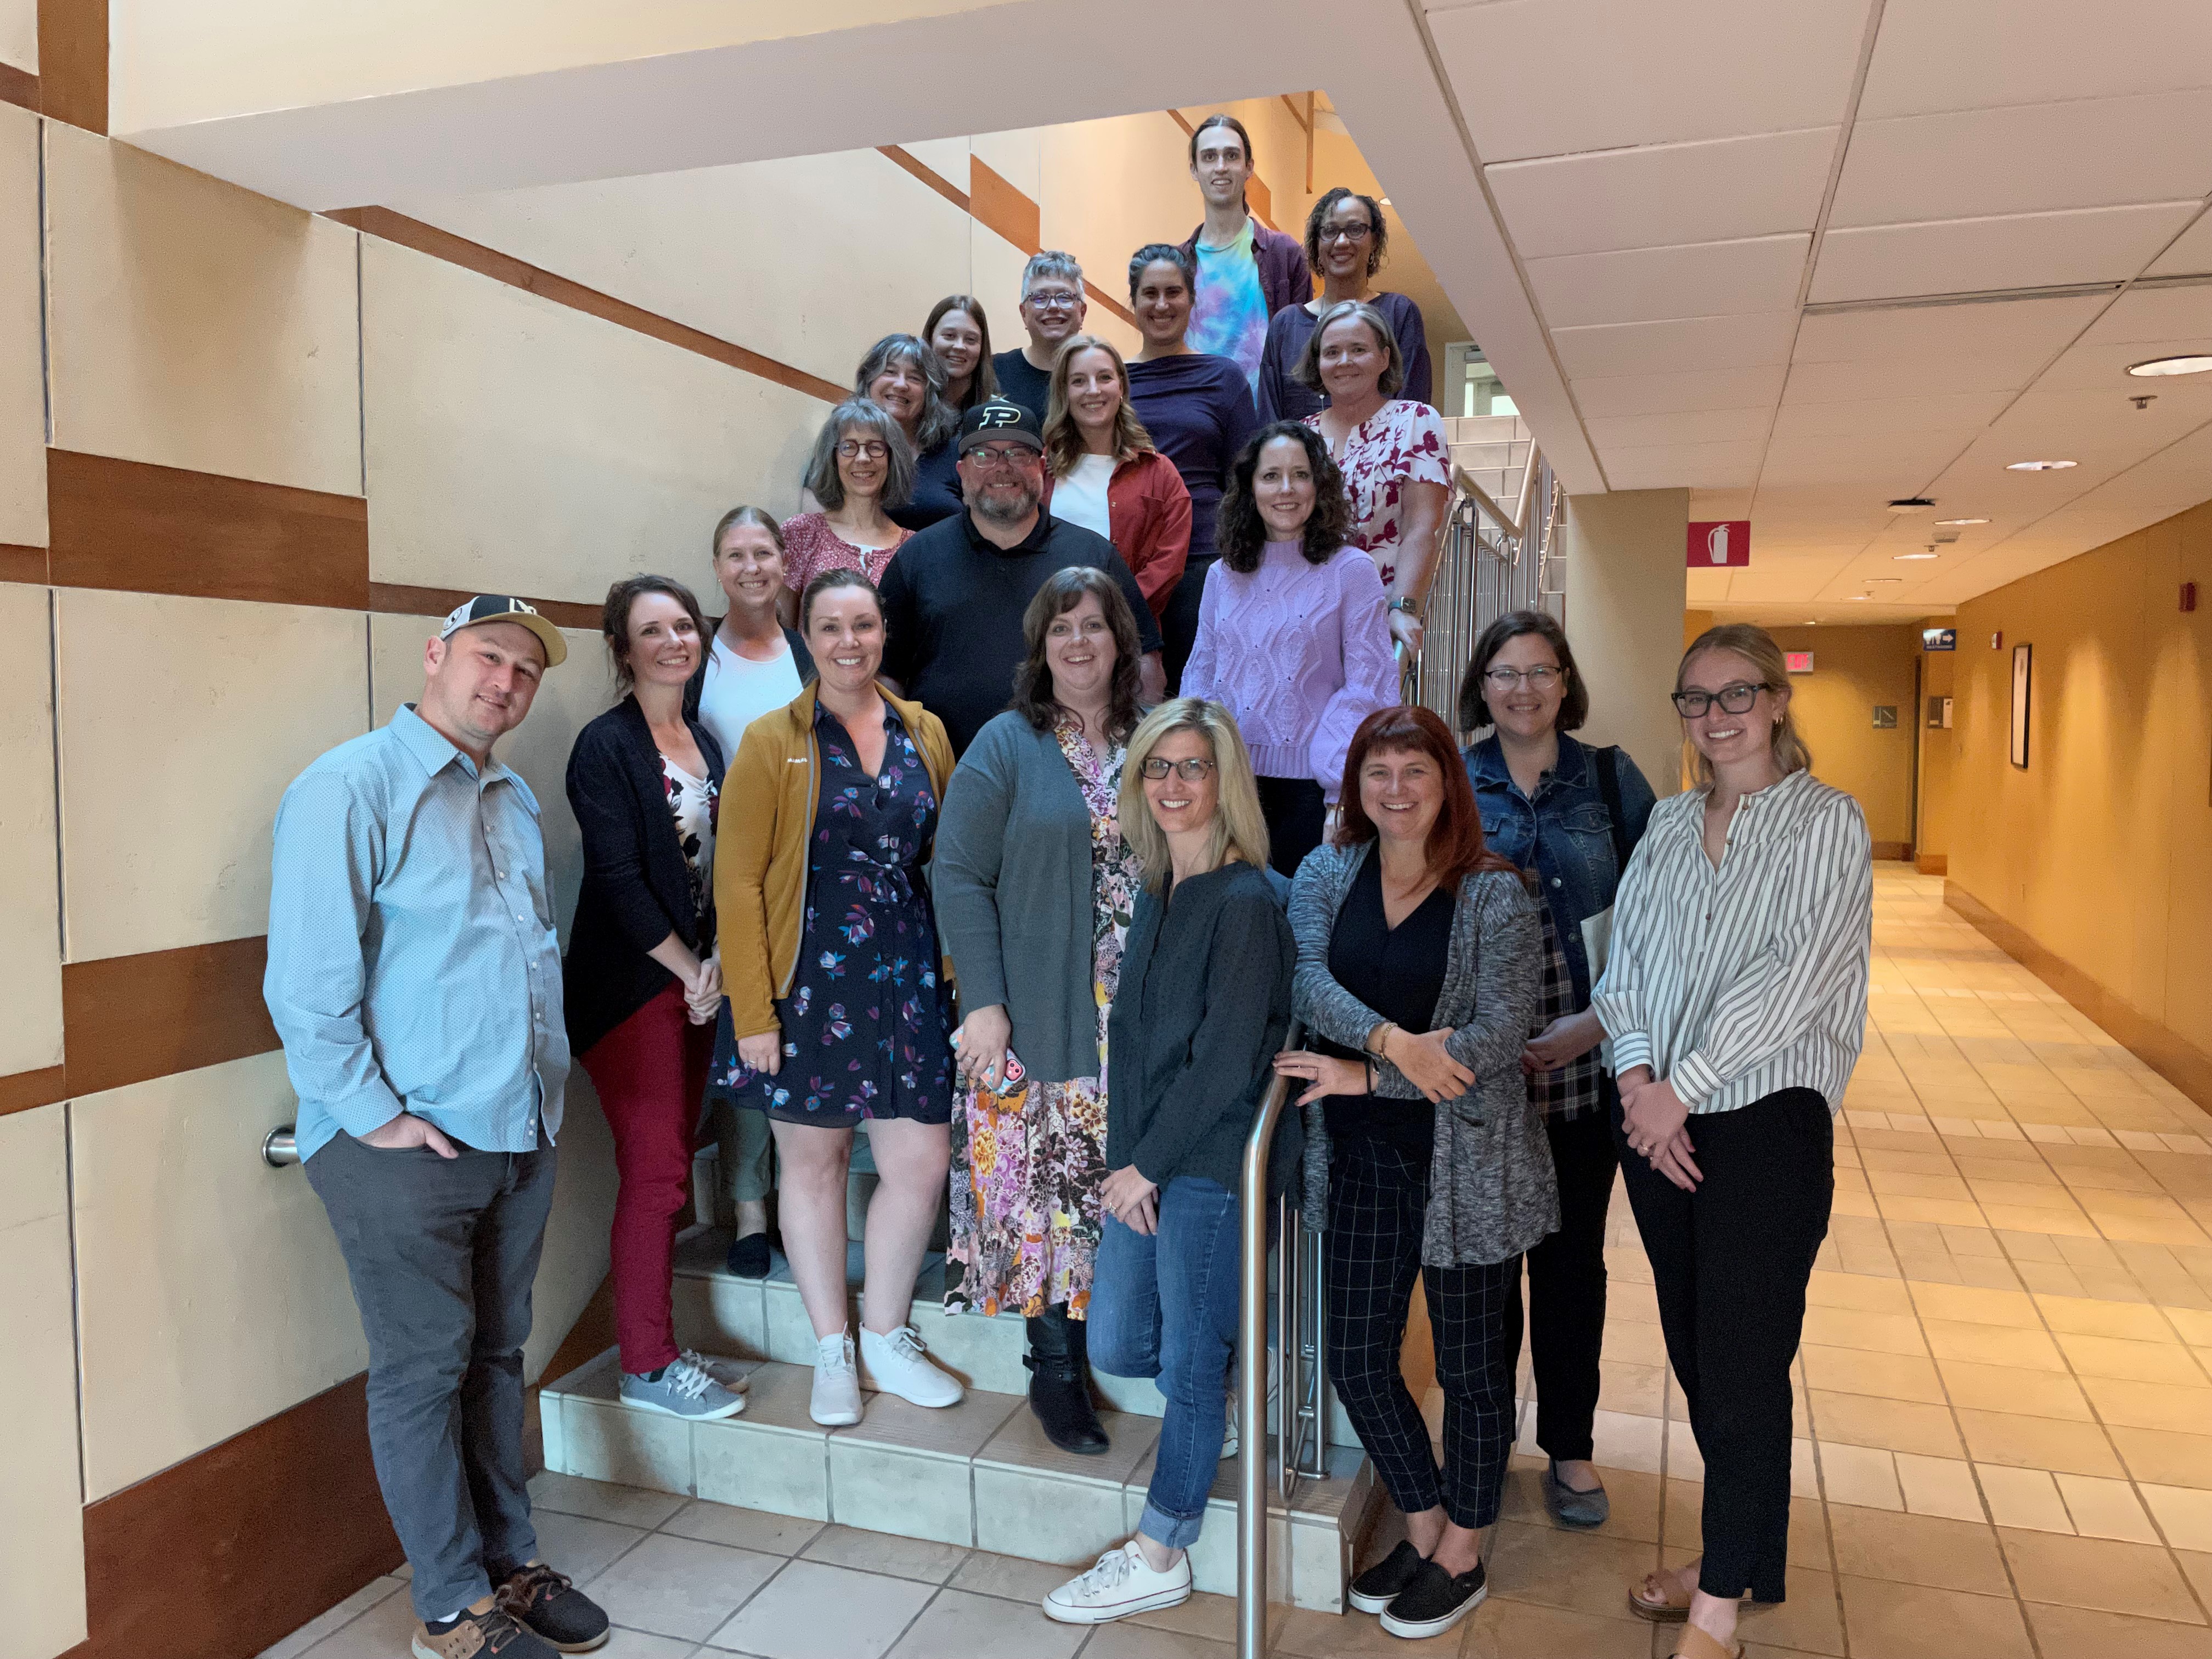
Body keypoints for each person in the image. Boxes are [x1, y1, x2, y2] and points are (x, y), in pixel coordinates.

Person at [266, 597, 609, 1659]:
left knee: (496, 1355)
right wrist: (377, 1120)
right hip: (400, 1147)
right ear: (435, 657)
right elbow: (309, 987)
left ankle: (510, 1561)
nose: (504, 682)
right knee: (424, 1366)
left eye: (524, 670)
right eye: (486, 658)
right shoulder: (347, 787)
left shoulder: (508, 797)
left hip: (516, 1131)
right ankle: (451, 1605)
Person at [1596, 624, 1871, 1659]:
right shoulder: (1666, 825)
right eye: (1694, 699)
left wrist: (1682, 1090)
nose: (1715, 716)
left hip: (1761, 1119)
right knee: (1697, 1351)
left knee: (1746, 1357)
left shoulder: (1826, 823)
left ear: (1775, 700)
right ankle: (1747, 1553)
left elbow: (1794, 979)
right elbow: (1624, 965)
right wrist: (1634, 1078)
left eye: (1735, 694)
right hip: (1655, 1117)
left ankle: (1716, 1599)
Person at [1273, 704, 1546, 1644]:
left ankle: (1462, 1549)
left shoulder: (1494, 893)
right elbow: (1307, 978)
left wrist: (1365, 1069)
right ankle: (1426, 1524)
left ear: (1446, 785)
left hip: (1465, 1162)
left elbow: (1501, 1033)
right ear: (1354, 782)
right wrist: (1391, 1044)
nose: (1394, 790)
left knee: (1472, 1370)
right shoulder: (1323, 870)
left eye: (1413, 772)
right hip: (1356, 1153)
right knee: (1354, 1353)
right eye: (1377, 772)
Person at [1043, 698, 1294, 1626]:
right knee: (1115, 1341)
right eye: (1158, 767)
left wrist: (1147, 1166)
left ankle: (1162, 1545)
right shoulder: (1158, 891)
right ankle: (1216, 1393)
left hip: (1215, 1160)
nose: (1174, 784)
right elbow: (1135, 1044)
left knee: (1187, 1358)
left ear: (1223, 781)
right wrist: (1124, 1166)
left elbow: (1226, 1056)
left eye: (1192, 767)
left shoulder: (1247, 898)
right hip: (1146, 1160)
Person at [712, 569, 966, 1426]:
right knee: (813, 1167)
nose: (848, 642)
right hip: (806, 981)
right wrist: (753, 1014)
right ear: (805, 637)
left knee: (920, 1162)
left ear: (882, 631)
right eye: (829, 627)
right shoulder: (770, 740)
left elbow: (953, 860)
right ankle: (833, 1348)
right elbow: (738, 884)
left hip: (905, 974)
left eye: (862, 624)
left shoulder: (923, 732)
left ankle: (887, 1336)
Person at [936, 569, 1148, 1454]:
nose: (1077, 641)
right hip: (1033, 1009)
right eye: (1060, 627)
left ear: (1119, 641)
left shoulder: (1152, 740)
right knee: (1042, 1194)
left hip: (1131, 1012)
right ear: (1039, 645)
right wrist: (981, 999)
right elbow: (956, 871)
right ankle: (1054, 1367)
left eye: (1093, 625)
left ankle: (1121, 1336)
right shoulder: (1003, 744)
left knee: (1109, 1183)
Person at [1457, 609, 1655, 1528]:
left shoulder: (1610, 781)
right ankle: (1486, 1436)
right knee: (1487, 1267)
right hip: (1483, 1077)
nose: (1524, 688)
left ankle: (1570, 1446)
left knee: (1571, 1266)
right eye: (1505, 671)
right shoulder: (1453, 777)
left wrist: (1595, 1025)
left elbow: (1660, 926)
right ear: (1481, 684)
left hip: (1584, 1064)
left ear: (1564, 682)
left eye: (1540, 670)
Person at [563, 575, 746, 1423]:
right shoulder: (605, 747)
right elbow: (620, 883)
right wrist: (690, 971)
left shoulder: (703, 737)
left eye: (683, 624)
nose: (673, 640)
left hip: (694, 983)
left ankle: (658, 1342)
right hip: (633, 986)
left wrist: (715, 971)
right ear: (621, 648)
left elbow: (716, 871)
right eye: (652, 630)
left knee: (668, 1169)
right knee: (658, 1173)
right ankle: (644, 1363)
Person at [878, 398, 1165, 755]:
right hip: (942, 775)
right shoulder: (916, 558)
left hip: (1071, 779)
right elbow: (885, 675)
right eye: (984, 455)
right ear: (961, 471)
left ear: (1042, 467)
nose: (1003, 467)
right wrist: (902, 760)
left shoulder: (1094, 558)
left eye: (1019, 454)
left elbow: (1144, 664)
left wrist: (1131, 757)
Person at [684, 506, 815, 1279]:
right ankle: (749, 1211)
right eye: (735, 553)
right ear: (718, 567)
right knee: (744, 1039)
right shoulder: (698, 659)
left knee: (792, 1038)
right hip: (722, 877)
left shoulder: (809, 653)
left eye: (763, 551)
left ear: (784, 562)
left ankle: (802, 1197)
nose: (752, 566)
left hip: (801, 873)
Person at [1182, 421, 1395, 878]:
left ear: (1320, 485)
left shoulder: (1351, 570)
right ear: (1250, 486)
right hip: (1229, 788)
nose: (1286, 489)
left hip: (1315, 794)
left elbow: (1370, 687)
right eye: (1271, 476)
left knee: (1305, 936)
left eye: (1301, 475)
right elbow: (1202, 676)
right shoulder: (1221, 575)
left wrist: (1340, 790)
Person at [1124, 243, 1259, 689]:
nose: (1162, 305)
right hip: (1128, 559)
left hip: (1203, 560)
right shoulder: (1113, 381)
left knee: (1201, 700)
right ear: (1134, 301)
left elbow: (1245, 482)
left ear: (1191, 299)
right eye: (1150, 293)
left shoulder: (1224, 377)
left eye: (1173, 292)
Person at [1301, 299, 1452, 658]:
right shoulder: (1299, 437)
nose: (1344, 362)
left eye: (1358, 349)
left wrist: (1403, 607)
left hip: (1376, 616)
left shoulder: (1415, 421)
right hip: (1305, 617)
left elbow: (1421, 526)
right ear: (1318, 362)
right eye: (1332, 352)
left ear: (1384, 358)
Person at [1041, 332, 1192, 622]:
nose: (1093, 390)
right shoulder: (1040, 470)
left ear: (1121, 386)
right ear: (1064, 392)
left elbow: (1168, 564)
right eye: (1078, 381)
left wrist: (1110, 615)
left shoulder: (1158, 472)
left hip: (1129, 634)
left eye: (1105, 377)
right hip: (1048, 632)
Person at [1259, 188, 1434, 423]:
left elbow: (1412, 413)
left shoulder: (1399, 313)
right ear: (1316, 246)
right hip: (1299, 460)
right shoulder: (1285, 324)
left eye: (1355, 229)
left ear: (1374, 242)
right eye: (1330, 231)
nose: (1342, 241)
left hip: (1383, 459)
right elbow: (1270, 422)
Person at [1177, 113, 1312, 389]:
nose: (1221, 167)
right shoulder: (1176, 264)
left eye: (1232, 156)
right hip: (1199, 419)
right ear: (1194, 170)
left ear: (1249, 167)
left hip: (1268, 423)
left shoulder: (1284, 254)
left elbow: (1302, 355)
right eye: (1210, 157)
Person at [781, 398, 916, 622]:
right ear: (833, 458)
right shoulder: (801, 532)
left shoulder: (913, 548)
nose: (863, 458)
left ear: (893, 459)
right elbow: (784, 635)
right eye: (849, 447)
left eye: (875, 447)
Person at [850, 332, 964, 532]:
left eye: (915, 378)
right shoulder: (843, 447)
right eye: (890, 372)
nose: (901, 385)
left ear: (930, 393)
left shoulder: (956, 453)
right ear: (868, 381)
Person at [991, 251, 1088, 426]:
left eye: (1065, 297)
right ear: (1024, 313)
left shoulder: (1100, 377)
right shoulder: (993, 372)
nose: (1053, 306)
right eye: (1039, 298)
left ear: (1082, 312)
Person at [926, 294, 999, 419]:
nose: (960, 346)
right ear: (930, 338)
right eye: (949, 336)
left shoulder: (997, 413)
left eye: (970, 339)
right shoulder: (911, 406)